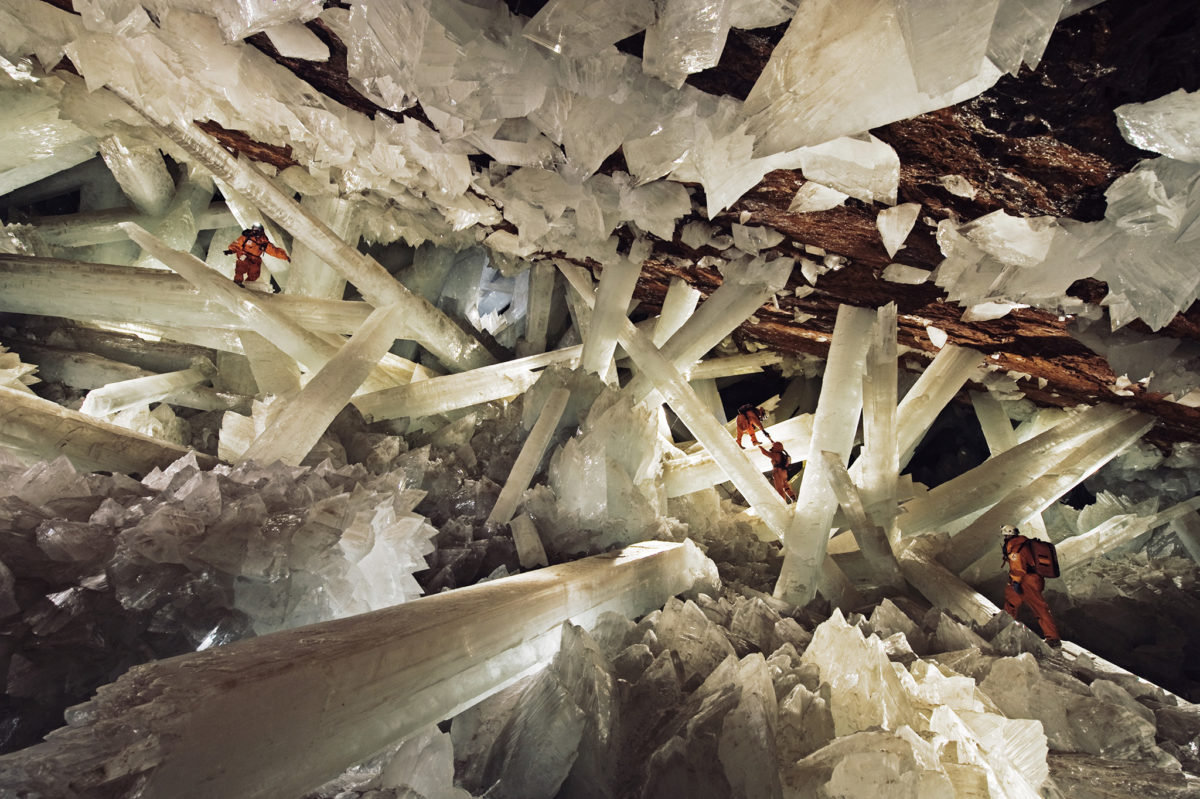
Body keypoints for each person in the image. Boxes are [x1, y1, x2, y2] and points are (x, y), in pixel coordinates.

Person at [1001, 524, 1061, 647]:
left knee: (1039, 607)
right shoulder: (1022, 543)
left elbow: (1018, 567)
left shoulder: (1016, 548)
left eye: (1005, 535)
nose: (1004, 537)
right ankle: (1004, 622)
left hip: (1027, 580)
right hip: (1030, 579)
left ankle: (1053, 637)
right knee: (1012, 598)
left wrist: (1016, 581)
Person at [224, 224, 289, 286]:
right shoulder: (246, 237)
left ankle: (248, 285)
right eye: (254, 229)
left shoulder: (264, 242)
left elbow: (275, 251)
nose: (255, 231)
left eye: (257, 230)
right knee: (241, 267)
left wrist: (285, 257)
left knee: (254, 274)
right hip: (244, 254)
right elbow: (237, 244)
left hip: (255, 259)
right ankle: (238, 281)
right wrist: (231, 250)